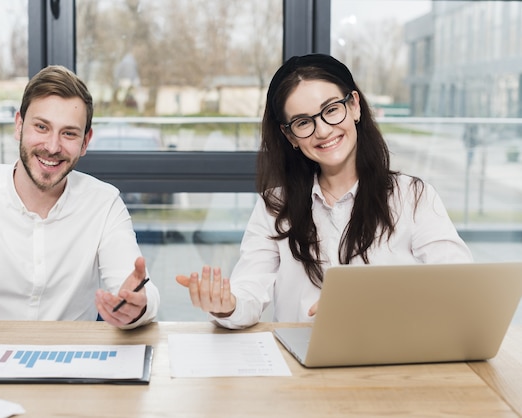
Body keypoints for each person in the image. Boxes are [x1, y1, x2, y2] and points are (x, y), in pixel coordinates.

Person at [176, 53, 473, 329]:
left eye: (331, 110)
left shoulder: (412, 196)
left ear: (354, 106)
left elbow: (460, 286)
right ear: (289, 135)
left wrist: (376, 302)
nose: (323, 131)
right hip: (302, 372)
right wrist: (227, 305)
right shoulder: (275, 206)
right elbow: (249, 291)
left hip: (391, 365)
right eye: (303, 122)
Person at [0, 65, 159, 328]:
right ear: (19, 125)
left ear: (85, 142)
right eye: (42, 127)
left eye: (68, 133)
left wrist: (136, 307)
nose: (53, 146)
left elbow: (139, 291)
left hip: (71, 361)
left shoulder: (104, 203)